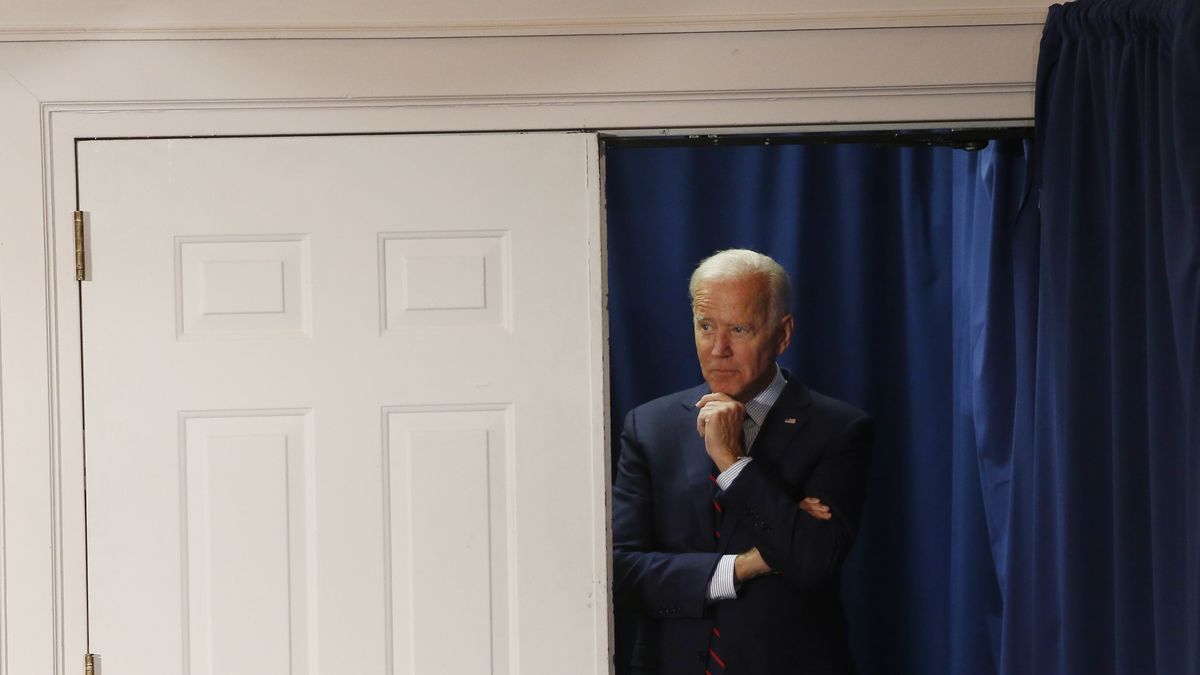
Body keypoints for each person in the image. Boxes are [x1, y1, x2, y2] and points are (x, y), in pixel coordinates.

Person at [612, 249, 874, 675]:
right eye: (706, 326)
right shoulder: (649, 426)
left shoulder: (839, 429)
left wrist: (731, 461)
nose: (719, 349)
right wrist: (746, 565)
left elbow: (810, 562)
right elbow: (620, 574)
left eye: (739, 329)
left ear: (782, 335)